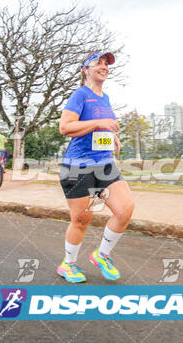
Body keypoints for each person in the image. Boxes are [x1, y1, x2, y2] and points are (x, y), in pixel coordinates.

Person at [57, 51, 135, 283]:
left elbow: (102, 128)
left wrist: (113, 138)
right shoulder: (80, 95)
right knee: (82, 220)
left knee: (125, 210)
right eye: (98, 63)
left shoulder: (105, 98)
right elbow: (65, 127)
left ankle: (102, 255)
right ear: (85, 70)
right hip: (77, 167)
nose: (104, 67)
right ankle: (68, 264)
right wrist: (99, 122)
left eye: (106, 64)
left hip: (105, 164)